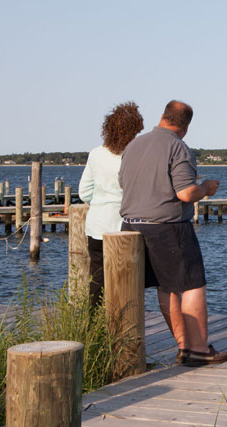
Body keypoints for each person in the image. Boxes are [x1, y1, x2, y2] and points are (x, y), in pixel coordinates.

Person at [118, 100, 227, 366]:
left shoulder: (133, 146)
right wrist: (205, 188)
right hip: (167, 227)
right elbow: (185, 193)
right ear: (186, 126)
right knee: (192, 285)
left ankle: (183, 346)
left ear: (162, 117)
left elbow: (123, 183)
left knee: (166, 288)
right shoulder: (177, 147)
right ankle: (199, 349)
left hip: (131, 226)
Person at [78, 102, 144, 307]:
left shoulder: (96, 154)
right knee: (126, 283)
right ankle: (122, 329)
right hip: (124, 228)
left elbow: (84, 192)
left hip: (97, 225)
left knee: (96, 282)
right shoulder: (136, 155)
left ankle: (93, 329)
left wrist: (100, 202)